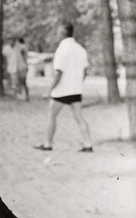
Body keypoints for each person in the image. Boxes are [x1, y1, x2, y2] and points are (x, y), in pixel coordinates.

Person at [34, 22, 93, 152]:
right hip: (76, 90)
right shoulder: (80, 49)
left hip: (61, 91)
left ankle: (47, 143)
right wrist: (79, 83)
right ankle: (88, 144)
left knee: (51, 115)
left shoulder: (62, 49)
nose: (56, 34)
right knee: (79, 117)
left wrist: (50, 90)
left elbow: (58, 72)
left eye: (58, 32)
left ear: (63, 33)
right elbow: (86, 70)